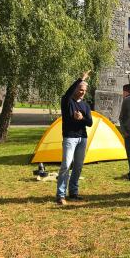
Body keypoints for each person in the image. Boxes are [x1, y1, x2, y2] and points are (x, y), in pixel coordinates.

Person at [56, 70, 93, 205]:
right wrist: (80, 79)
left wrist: (82, 118)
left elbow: (90, 123)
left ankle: (73, 193)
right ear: (76, 88)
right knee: (66, 165)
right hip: (70, 137)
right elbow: (67, 92)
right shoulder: (67, 101)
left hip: (82, 138)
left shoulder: (86, 105)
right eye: (80, 89)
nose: (82, 92)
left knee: (78, 166)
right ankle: (60, 195)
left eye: (84, 90)